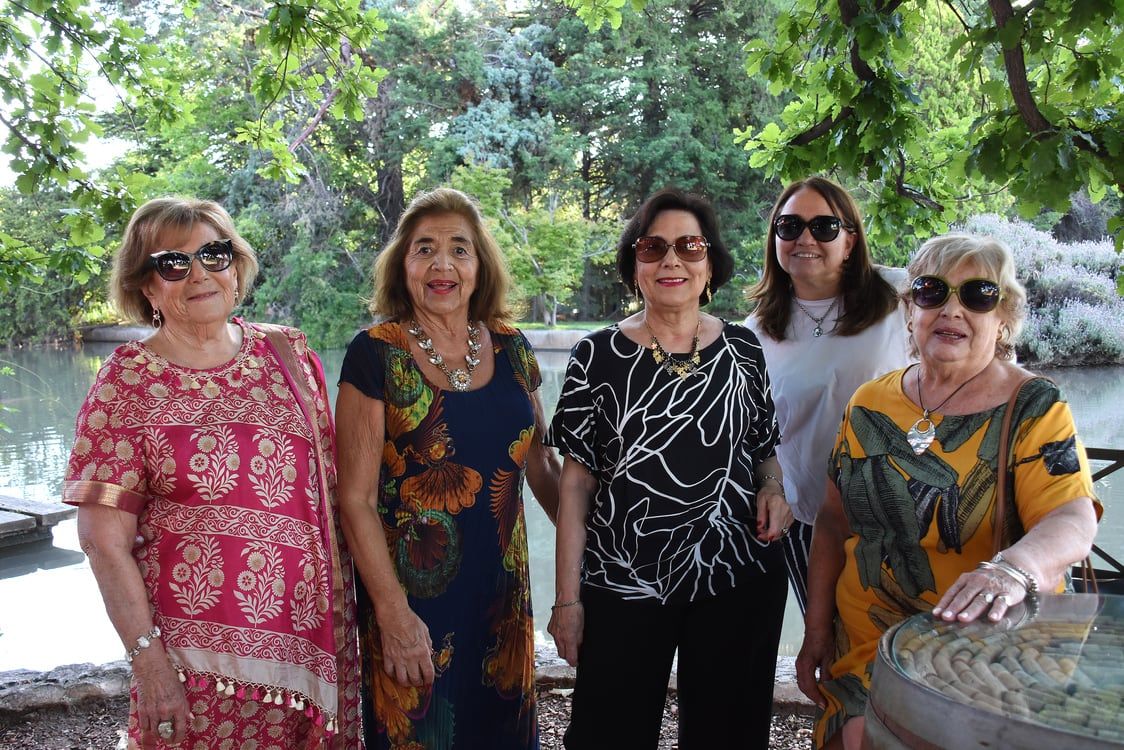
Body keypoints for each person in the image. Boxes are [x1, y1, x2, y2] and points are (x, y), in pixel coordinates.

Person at [63, 197, 361, 748]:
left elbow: (332, 499)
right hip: (194, 670)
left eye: (214, 255)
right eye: (173, 263)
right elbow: (103, 542)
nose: (198, 273)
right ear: (146, 286)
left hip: (313, 660)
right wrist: (148, 663)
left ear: (236, 265)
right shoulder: (126, 382)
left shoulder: (288, 354)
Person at [797, 233, 1100, 749]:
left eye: (978, 294)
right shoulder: (870, 402)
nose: (952, 309)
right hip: (868, 641)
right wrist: (816, 630)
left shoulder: (1034, 406)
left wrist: (1012, 571)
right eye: (932, 291)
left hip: (982, 646)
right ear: (910, 309)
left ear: (1003, 314)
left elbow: (1071, 518)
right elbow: (832, 520)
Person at [546, 188, 792, 749]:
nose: (672, 260)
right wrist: (567, 600)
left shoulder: (744, 350)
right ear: (635, 266)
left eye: (690, 246)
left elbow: (763, 449)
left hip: (735, 573)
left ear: (711, 265)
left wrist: (773, 487)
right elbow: (576, 486)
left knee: (726, 736)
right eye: (653, 247)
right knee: (607, 734)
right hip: (623, 582)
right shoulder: (597, 355)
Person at [335, 187, 561, 750]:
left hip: (504, 604)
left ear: (480, 265)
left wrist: (589, 570)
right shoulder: (375, 353)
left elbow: (543, 466)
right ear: (401, 265)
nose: (442, 264)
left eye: (459, 249)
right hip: (413, 607)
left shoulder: (513, 349)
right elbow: (354, 500)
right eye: (424, 249)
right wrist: (391, 613)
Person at [747, 176, 911, 613]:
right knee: (830, 649)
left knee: (909, 649)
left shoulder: (903, 297)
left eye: (823, 227)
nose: (805, 238)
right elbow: (755, 436)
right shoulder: (754, 333)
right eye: (789, 226)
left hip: (907, 511)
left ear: (851, 240)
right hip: (810, 523)